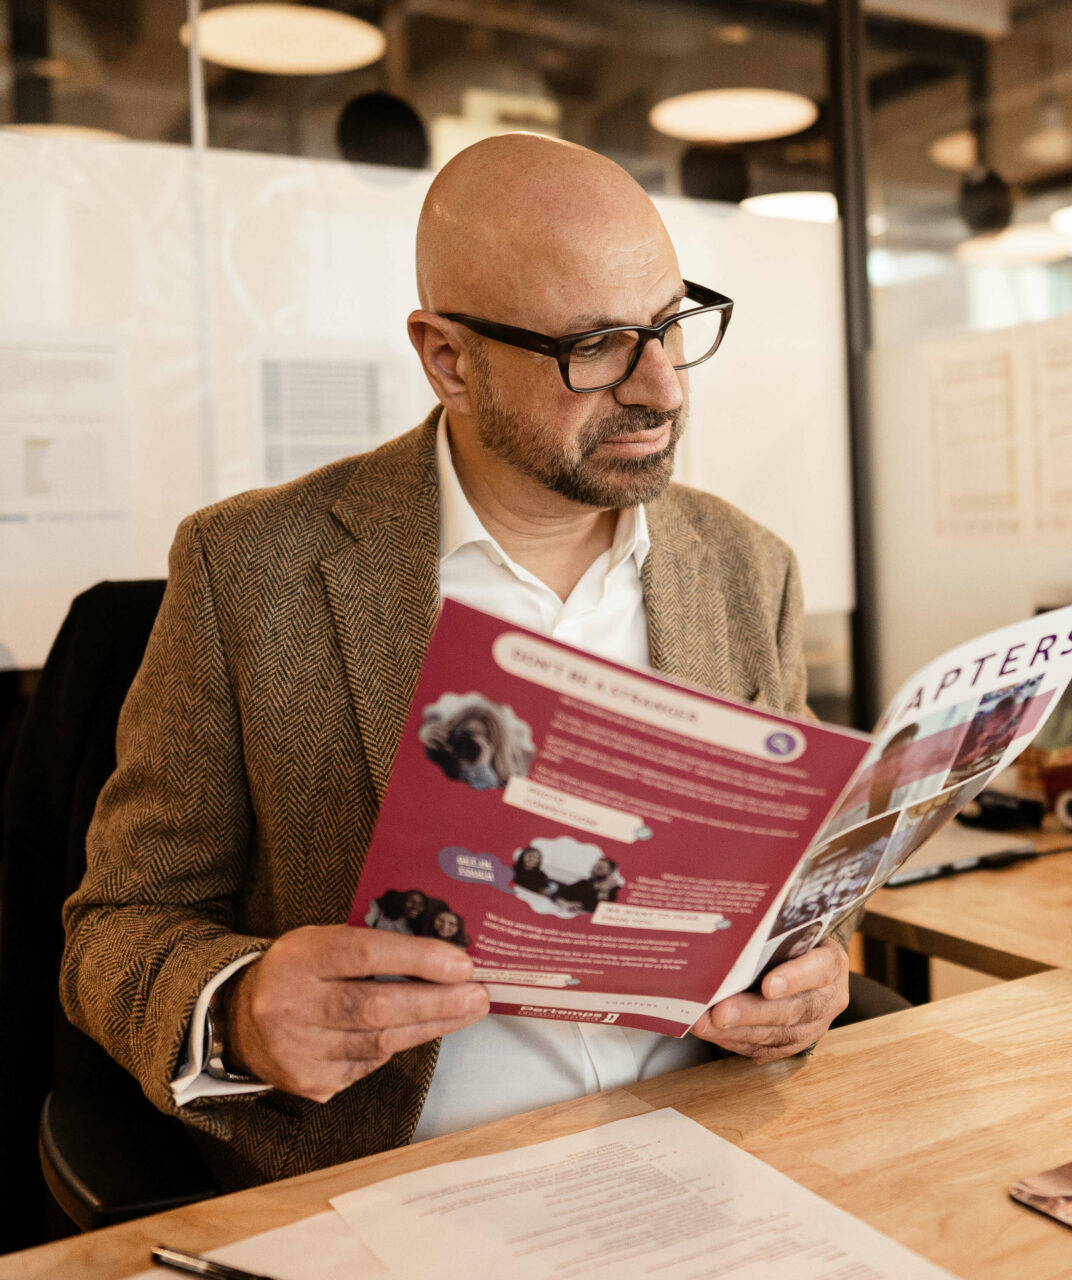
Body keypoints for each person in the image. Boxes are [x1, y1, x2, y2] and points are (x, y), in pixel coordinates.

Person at [59, 133, 850, 1189]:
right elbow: (114, 925)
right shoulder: (249, 570)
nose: (661, 387)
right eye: (597, 346)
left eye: (669, 324)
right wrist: (239, 1011)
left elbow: (801, 881)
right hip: (393, 1178)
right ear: (448, 359)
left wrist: (812, 975)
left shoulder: (750, 566)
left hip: (705, 1145)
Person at [364, 889, 428, 934]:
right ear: (402, 901)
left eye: (420, 904)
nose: (415, 906)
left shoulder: (420, 929)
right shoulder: (378, 910)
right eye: (411, 901)